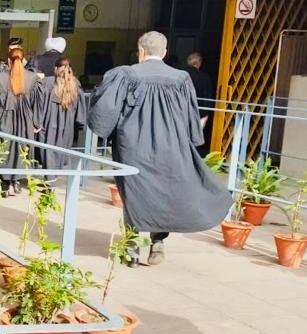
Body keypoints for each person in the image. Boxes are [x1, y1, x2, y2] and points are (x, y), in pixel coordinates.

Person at [87, 31, 231, 265]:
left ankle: (132, 249)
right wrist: (189, 141)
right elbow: (190, 115)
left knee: (133, 193)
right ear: (164, 53)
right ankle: (158, 242)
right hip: (169, 146)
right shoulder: (181, 78)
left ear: (140, 51)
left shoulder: (126, 74)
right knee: (164, 192)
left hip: (133, 146)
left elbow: (105, 111)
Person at [0, 46, 41, 194]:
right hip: (25, 122)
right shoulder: (33, 79)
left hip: (5, 120)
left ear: (9, 60)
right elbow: (37, 104)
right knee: (21, 148)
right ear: (23, 60)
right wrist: (36, 123)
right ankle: (17, 181)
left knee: (4, 148)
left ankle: (5, 184)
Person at [32, 57, 87, 173]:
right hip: (66, 125)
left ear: (55, 68)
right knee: (61, 148)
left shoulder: (46, 83)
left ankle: (49, 176)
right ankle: (55, 174)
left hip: (48, 122)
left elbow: (38, 103)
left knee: (48, 149)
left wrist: (36, 122)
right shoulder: (75, 84)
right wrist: (79, 123)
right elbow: (79, 107)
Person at [184, 51, 215, 157]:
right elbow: (207, 101)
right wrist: (205, 116)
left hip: (178, 112)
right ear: (199, 63)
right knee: (194, 141)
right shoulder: (205, 78)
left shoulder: (178, 76)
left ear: (188, 61)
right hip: (198, 113)